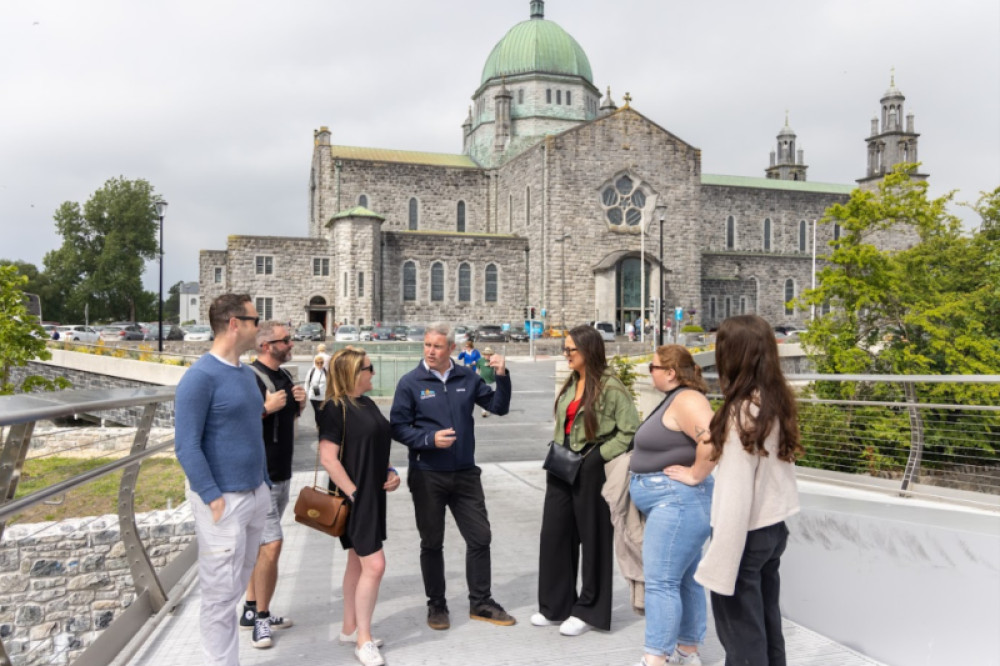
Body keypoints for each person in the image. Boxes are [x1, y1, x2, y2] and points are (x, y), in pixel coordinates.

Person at [691, 315, 802, 666]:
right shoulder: (773, 402)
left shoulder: (741, 412)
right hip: (773, 528)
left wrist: (720, 562)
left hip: (745, 534)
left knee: (741, 638)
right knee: (767, 626)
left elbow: (736, 495)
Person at [389, 322, 515, 630]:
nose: (430, 351)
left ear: (451, 349)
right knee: (432, 542)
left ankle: (481, 602)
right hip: (427, 474)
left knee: (480, 537)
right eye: (427, 345)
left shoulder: (467, 377)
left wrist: (501, 375)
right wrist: (429, 440)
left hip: (465, 474)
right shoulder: (410, 382)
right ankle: (437, 606)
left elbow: (498, 407)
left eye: (437, 346)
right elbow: (398, 427)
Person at [174, 293, 270, 666]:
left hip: (254, 495)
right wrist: (213, 496)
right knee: (218, 596)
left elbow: (249, 431)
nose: (258, 326)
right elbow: (186, 445)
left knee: (234, 587)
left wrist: (261, 484)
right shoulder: (199, 378)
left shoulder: (246, 374)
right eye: (254, 319)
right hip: (223, 502)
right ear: (234, 324)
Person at [532, 324, 639, 636]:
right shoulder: (572, 382)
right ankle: (555, 605)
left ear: (588, 351)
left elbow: (629, 431)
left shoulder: (611, 387)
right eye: (565, 349)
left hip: (590, 467)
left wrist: (599, 456)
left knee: (593, 540)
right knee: (554, 536)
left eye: (571, 349)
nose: (565, 354)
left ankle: (589, 610)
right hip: (562, 467)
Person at [631, 345, 716, 666]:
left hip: (677, 503)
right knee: (683, 579)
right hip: (675, 503)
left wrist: (695, 474)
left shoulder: (688, 400)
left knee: (662, 583)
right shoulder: (677, 399)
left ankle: (655, 658)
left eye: (652, 367)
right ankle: (687, 652)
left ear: (670, 372)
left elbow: (711, 439)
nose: (649, 371)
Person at [318, 347, 400, 666]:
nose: (373, 373)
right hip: (356, 499)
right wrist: (355, 494)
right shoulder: (334, 408)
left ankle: (350, 628)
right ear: (353, 373)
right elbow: (327, 457)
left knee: (358, 562)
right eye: (369, 368)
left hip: (371, 494)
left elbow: (374, 448)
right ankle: (363, 640)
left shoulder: (365, 404)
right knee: (375, 566)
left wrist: (390, 472)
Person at [239, 321, 306, 649]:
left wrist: (299, 405)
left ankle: (251, 608)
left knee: (259, 545)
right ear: (267, 345)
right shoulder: (248, 377)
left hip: (282, 473)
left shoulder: (285, 376)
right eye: (285, 340)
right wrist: (265, 409)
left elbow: (287, 421)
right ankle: (262, 619)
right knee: (272, 545)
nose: (291, 344)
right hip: (260, 476)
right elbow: (235, 423)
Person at [305, 354, 328, 427]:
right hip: (313, 396)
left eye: (321, 362)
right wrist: (306, 393)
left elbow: (329, 383)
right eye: (318, 363)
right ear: (315, 363)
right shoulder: (311, 371)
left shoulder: (325, 371)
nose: (320, 364)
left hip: (323, 396)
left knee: (323, 412)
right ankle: (319, 426)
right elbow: (307, 382)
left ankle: (322, 425)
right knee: (317, 412)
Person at [477, 347, 497, 417]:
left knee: (492, 396)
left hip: (492, 381)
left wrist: (491, 364)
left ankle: (490, 408)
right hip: (483, 381)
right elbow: (478, 370)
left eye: (489, 354)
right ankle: (484, 411)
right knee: (483, 396)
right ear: (484, 355)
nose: (488, 356)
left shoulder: (493, 360)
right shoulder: (480, 361)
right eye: (486, 354)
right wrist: (476, 378)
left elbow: (498, 368)